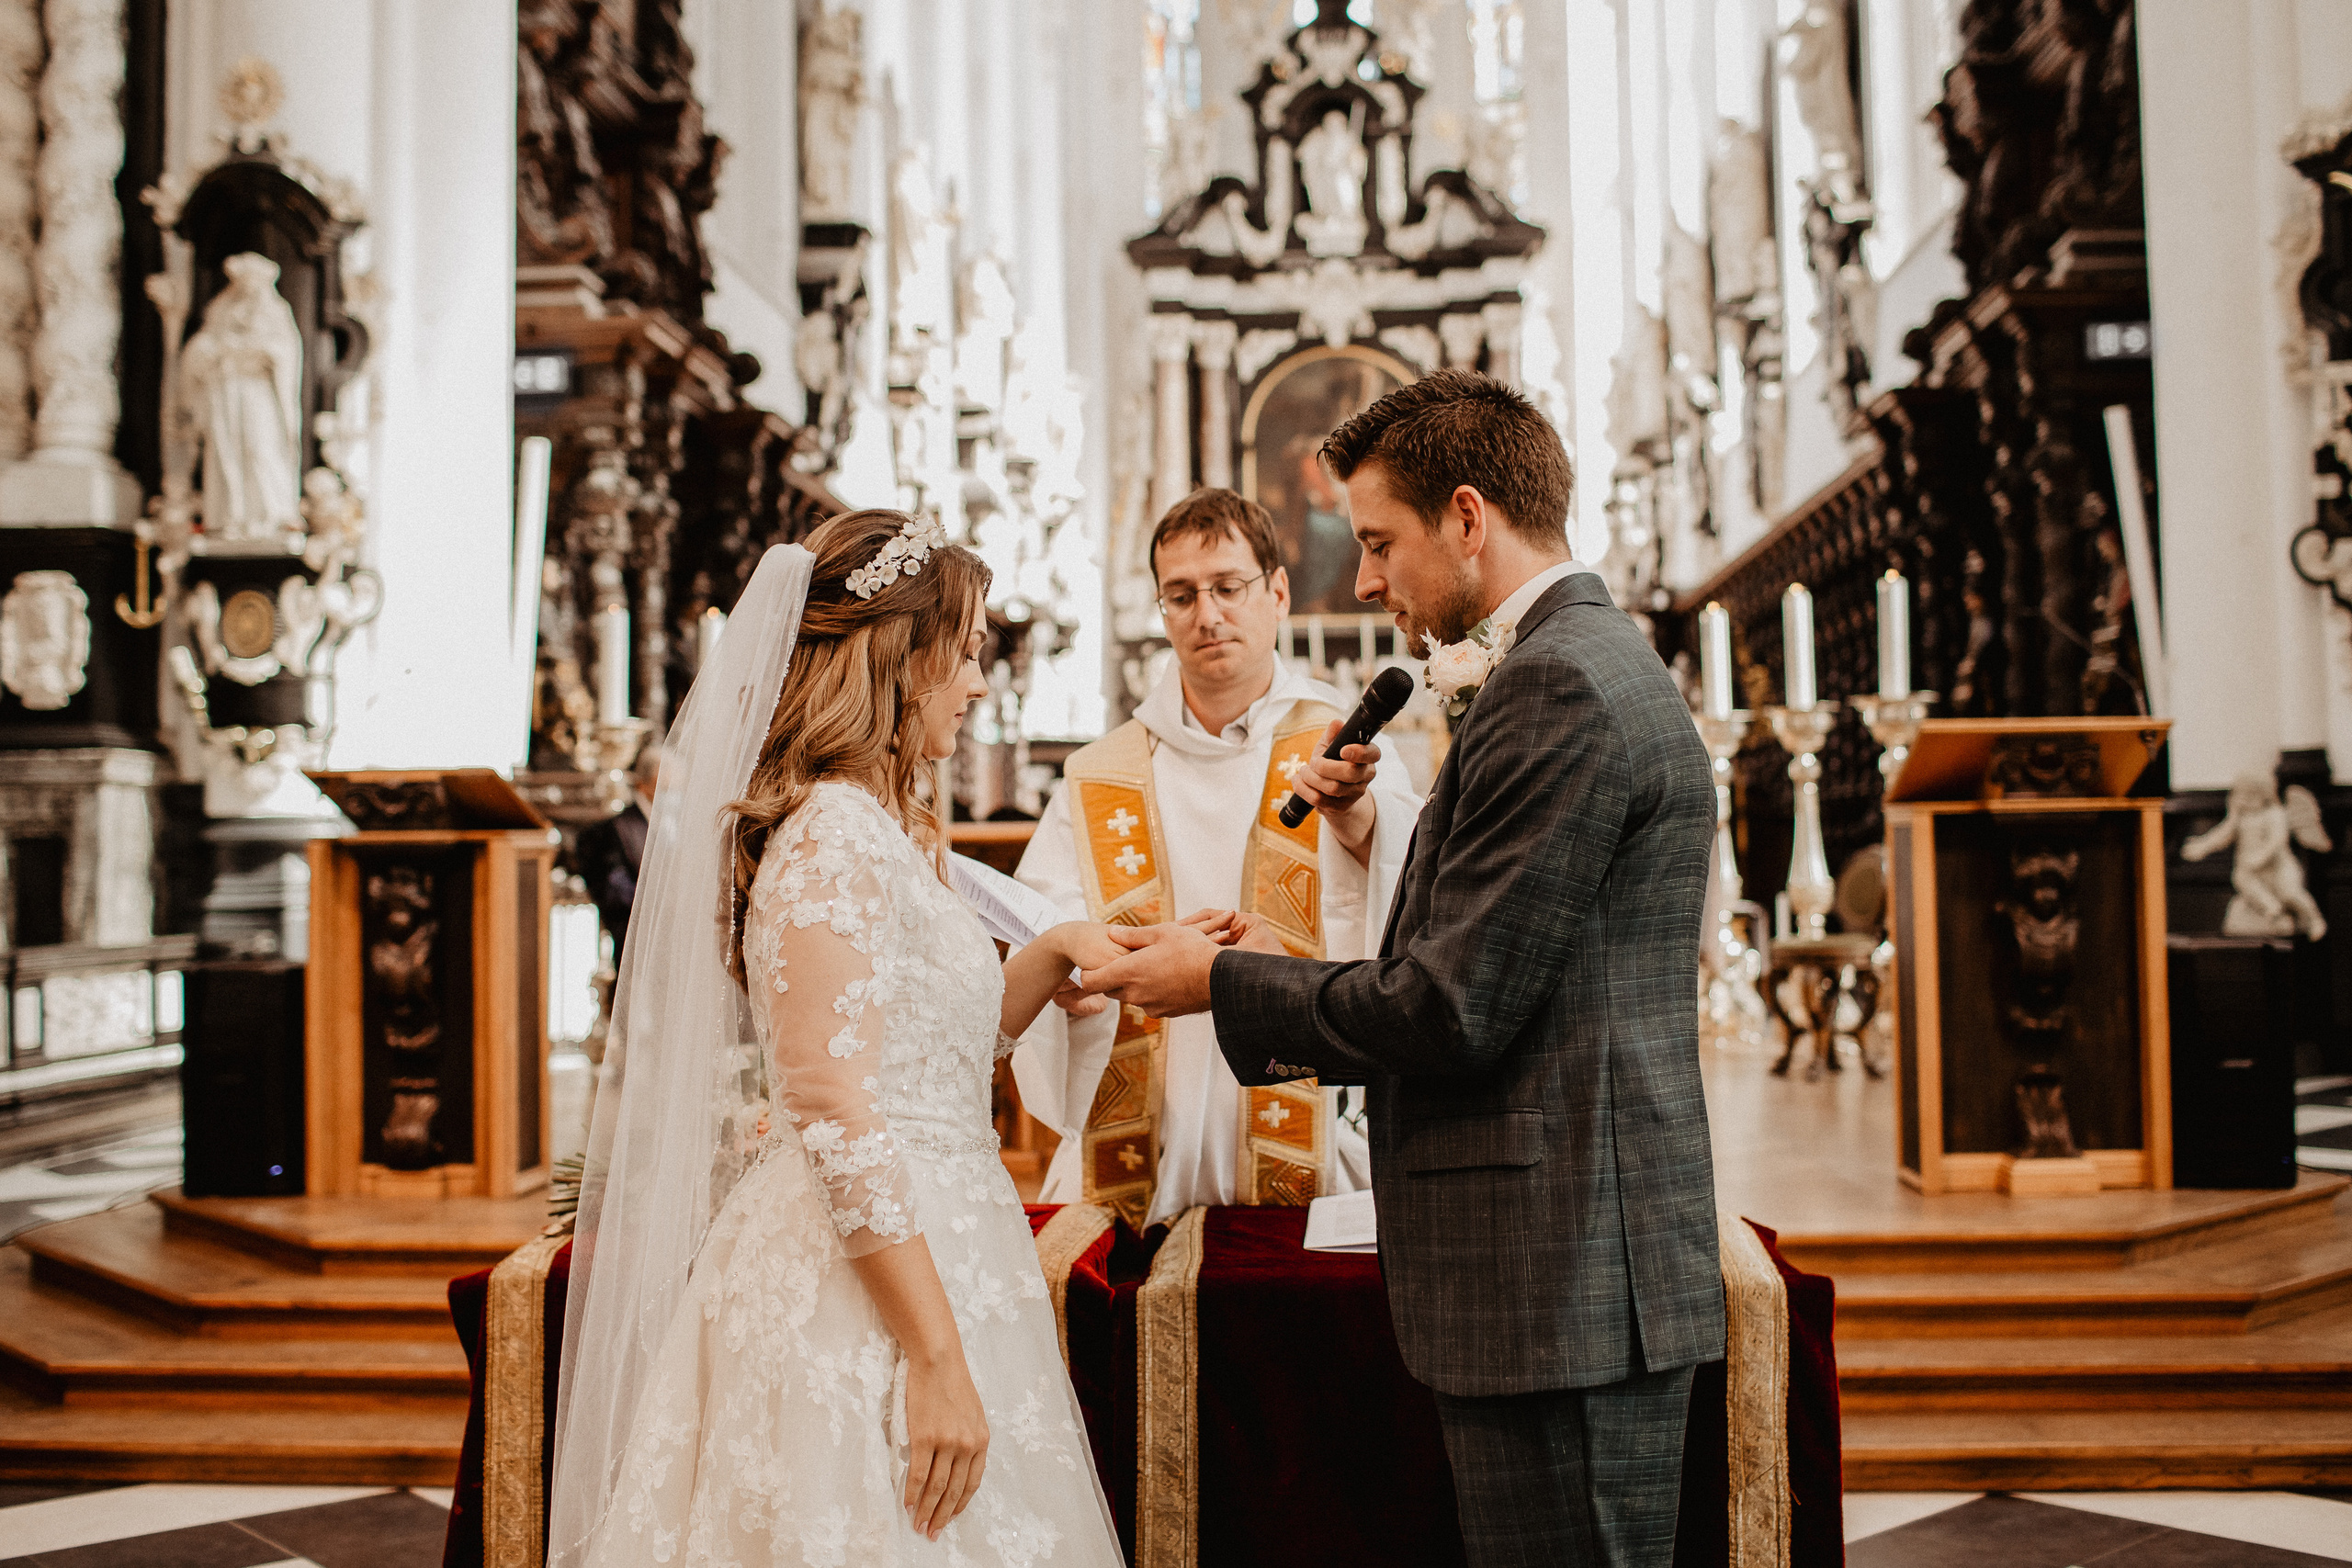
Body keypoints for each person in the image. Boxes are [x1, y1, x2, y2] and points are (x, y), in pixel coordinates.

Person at [1082, 370, 1724, 1567]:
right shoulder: (1567, 667)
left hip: (1561, 1280)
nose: (1366, 577)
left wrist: (1212, 984)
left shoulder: (1560, 687)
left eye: (1379, 541)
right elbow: (1483, 959)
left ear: (1469, 518)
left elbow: (1449, 1006)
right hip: (1559, 1269)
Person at [549, 511, 1140, 1566]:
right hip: (861, 1285)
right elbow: (830, 1104)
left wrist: (1049, 958)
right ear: (900, 658)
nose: (976, 683)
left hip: (942, 1239)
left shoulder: (881, 827)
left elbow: (929, 1050)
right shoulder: (827, 835)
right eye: (963, 656)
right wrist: (933, 1353)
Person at [1011, 487, 1419, 1227]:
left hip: (1311, 1143)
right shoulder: (1102, 771)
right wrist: (1070, 973)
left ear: (1278, 592)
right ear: (1161, 609)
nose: (1208, 614)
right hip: (1137, 1141)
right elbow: (1042, 921)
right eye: (1182, 594)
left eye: (1229, 587)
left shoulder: (1342, 747)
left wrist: (1358, 819)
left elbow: (1414, 902)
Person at [572, 743, 660, 958]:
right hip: (634, 933)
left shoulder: (668, 821)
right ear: (645, 785)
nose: (675, 791)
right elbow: (615, 887)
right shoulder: (619, 828)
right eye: (665, 784)